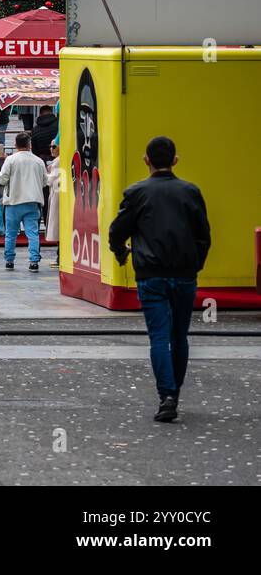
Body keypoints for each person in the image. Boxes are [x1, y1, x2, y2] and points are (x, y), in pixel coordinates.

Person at [108, 136, 211, 424]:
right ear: (175, 161)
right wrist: (195, 265)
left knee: (159, 337)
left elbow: (117, 232)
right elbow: (203, 235)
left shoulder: (137, 193)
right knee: (180, 336)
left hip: (151, 274)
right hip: (184, 274)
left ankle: (166, 395)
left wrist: (121, 254)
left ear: (146, 160)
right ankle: (174, 393)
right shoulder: (191, 192)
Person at [0, 131, 47, 271]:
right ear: (29, 144)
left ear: (15, 144)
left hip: (13, 201)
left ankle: (9, 260)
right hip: (32, 201)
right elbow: (45, 181)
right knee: (32, 233)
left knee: (11, 234)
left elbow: (2, 179)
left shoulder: (11, 160)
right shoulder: (38, 161)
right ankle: (34, 261)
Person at [45, 143, 62, 248]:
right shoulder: (57, 161)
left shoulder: (57, 162)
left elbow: (50, 180)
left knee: (57, 225)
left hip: (57, 194)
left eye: (54, 146)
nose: (51, 149)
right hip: (58, 192)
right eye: (50, 146)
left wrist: (44, 173)